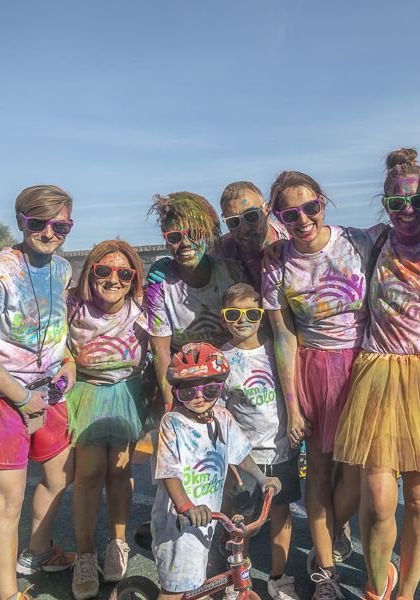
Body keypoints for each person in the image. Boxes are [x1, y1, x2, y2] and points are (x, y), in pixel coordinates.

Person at [333, 149, 420, 600]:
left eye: (417, 201)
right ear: (384, 204)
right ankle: (377, 583)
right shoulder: (371, 241)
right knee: (379, 496)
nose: (408, 211)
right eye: (396, 203)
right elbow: (308, 240)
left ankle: (405, 591)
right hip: (379, 373)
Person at [0, 184, 77, 600]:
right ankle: (10, 596)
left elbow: (57, 332)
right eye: (38, 223)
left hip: (49, 392)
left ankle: (40, 550)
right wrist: (23, 398)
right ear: (20, 221)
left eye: (61, 225)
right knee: (7, 503)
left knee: (60, 477)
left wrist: (66, 368)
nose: (50, 233)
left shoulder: (63, 269)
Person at [262, 170, 373, 599]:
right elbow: (284, 335)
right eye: (290, 214)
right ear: (279, 218)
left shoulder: (358, 241)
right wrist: (293, 404)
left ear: (323, 202)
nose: (303, 219)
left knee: (360, 473)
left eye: (311, 207)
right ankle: (326, 572)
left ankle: (328, 533)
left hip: (364, 366)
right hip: (313, 368)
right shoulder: (277, 264)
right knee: (320, 470)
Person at [151, 342, 281, 600]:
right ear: (176, 392)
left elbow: (241, 454)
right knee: (175, 590)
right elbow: (169, 473)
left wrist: (262, 478)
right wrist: (186, 506)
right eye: (188, 392)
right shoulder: (173, 423)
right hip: (179, 524)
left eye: (210, 390)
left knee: (197, 579)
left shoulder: (222, 416)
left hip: (208, 519)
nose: (199, 397)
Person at [66, 240, 150, 599]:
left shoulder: (143, 308)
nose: (113, 279)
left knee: (120, 470)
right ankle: (85, 555)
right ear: (90, 272)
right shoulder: (72, 304)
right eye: (104, 270)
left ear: (134, 279)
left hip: (128, 395)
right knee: (87, 473)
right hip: (85, 393)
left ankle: (117, 543)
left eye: (124, 273)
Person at [218, 283, 301, 600]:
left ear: (262, 315)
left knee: (281, 514)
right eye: (234, 314)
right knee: (241, 522)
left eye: (252, 312)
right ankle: (238, 580)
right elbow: (220, 412)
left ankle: (279, 576)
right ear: (224, 318)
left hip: (281, 451)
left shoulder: (277, 348)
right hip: (244, 458)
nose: (243, 320)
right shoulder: (223, 358)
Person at [145, 191, 246, 413]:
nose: (186, 243)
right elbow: (160, 351)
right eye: (174, 237)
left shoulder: (231, 273)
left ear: (209, 232)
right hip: (188, 385)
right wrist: (172, 405)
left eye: (194, 233)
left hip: (233, 377)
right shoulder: (159, 287)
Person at [218, 181, 289, 290]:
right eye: (233, 221)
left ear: (267, 210)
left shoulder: (291, 238)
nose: (244, 229)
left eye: (251, 216)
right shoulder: (223, 250)